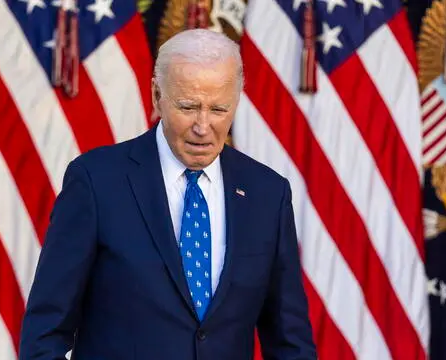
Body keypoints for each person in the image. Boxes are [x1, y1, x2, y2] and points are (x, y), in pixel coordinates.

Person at [19, 28, 317, 360]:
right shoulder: (96, 182)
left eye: (219, 110)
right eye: (188, 107)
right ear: (157, 94)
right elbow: (44, 333)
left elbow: (291, 344)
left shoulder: (267, 194)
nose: (203, 127)